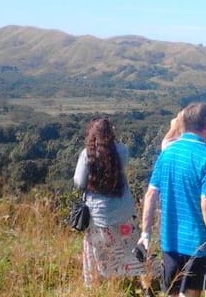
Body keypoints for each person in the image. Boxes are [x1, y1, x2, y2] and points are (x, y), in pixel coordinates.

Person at [139, 103, 206, 297]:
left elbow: (151, 194)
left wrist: (145, 233)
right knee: (192, 292)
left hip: (169, 240)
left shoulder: (167, 152)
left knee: (172, 291)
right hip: (198, 243)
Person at [73, 118, 145, 286]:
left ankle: (99, 281)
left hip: (98, 214)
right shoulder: (122, 150)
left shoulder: (87, 154)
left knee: (99, 250)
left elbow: (79, 181)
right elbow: (122, 166)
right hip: (124, 211)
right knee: (129, 246)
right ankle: (137, 278)